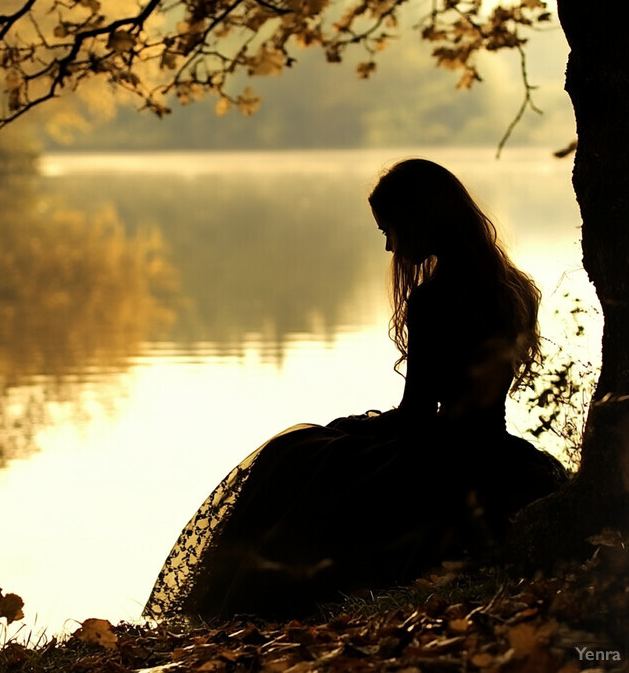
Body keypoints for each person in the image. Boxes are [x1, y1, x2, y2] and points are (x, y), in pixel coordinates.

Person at [143, 159, 566, 622]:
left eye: (392, 230)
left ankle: (244, 608)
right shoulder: (514, 289)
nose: (389, 246)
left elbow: (417, 415)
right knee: (315, 452)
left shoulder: (435, 300)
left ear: (422, 218)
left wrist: (355, 433)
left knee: (297, 458)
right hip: (496, 451)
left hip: (441, 455)